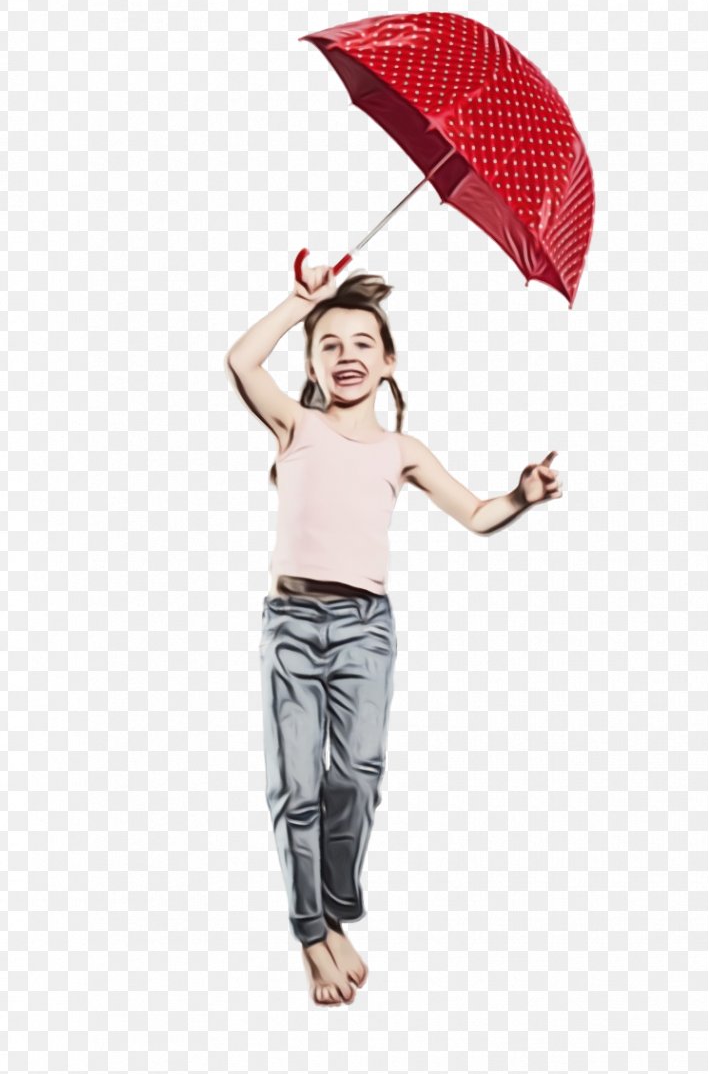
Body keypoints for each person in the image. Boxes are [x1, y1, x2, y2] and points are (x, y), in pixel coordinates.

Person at [224, 260, 563, 1006]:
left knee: (357, 776)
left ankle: (337, 901)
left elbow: (476, 514)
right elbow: (241, 360)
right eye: (330, 344)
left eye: (362, 344)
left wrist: (523, 495)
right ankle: (313, 930)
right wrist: (298, 302)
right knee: (298, 786)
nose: (347, 356)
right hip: (291, 624)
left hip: (364, 631)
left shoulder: (400, 451)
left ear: (389, 362)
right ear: (311, 362)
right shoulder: (296, 423)